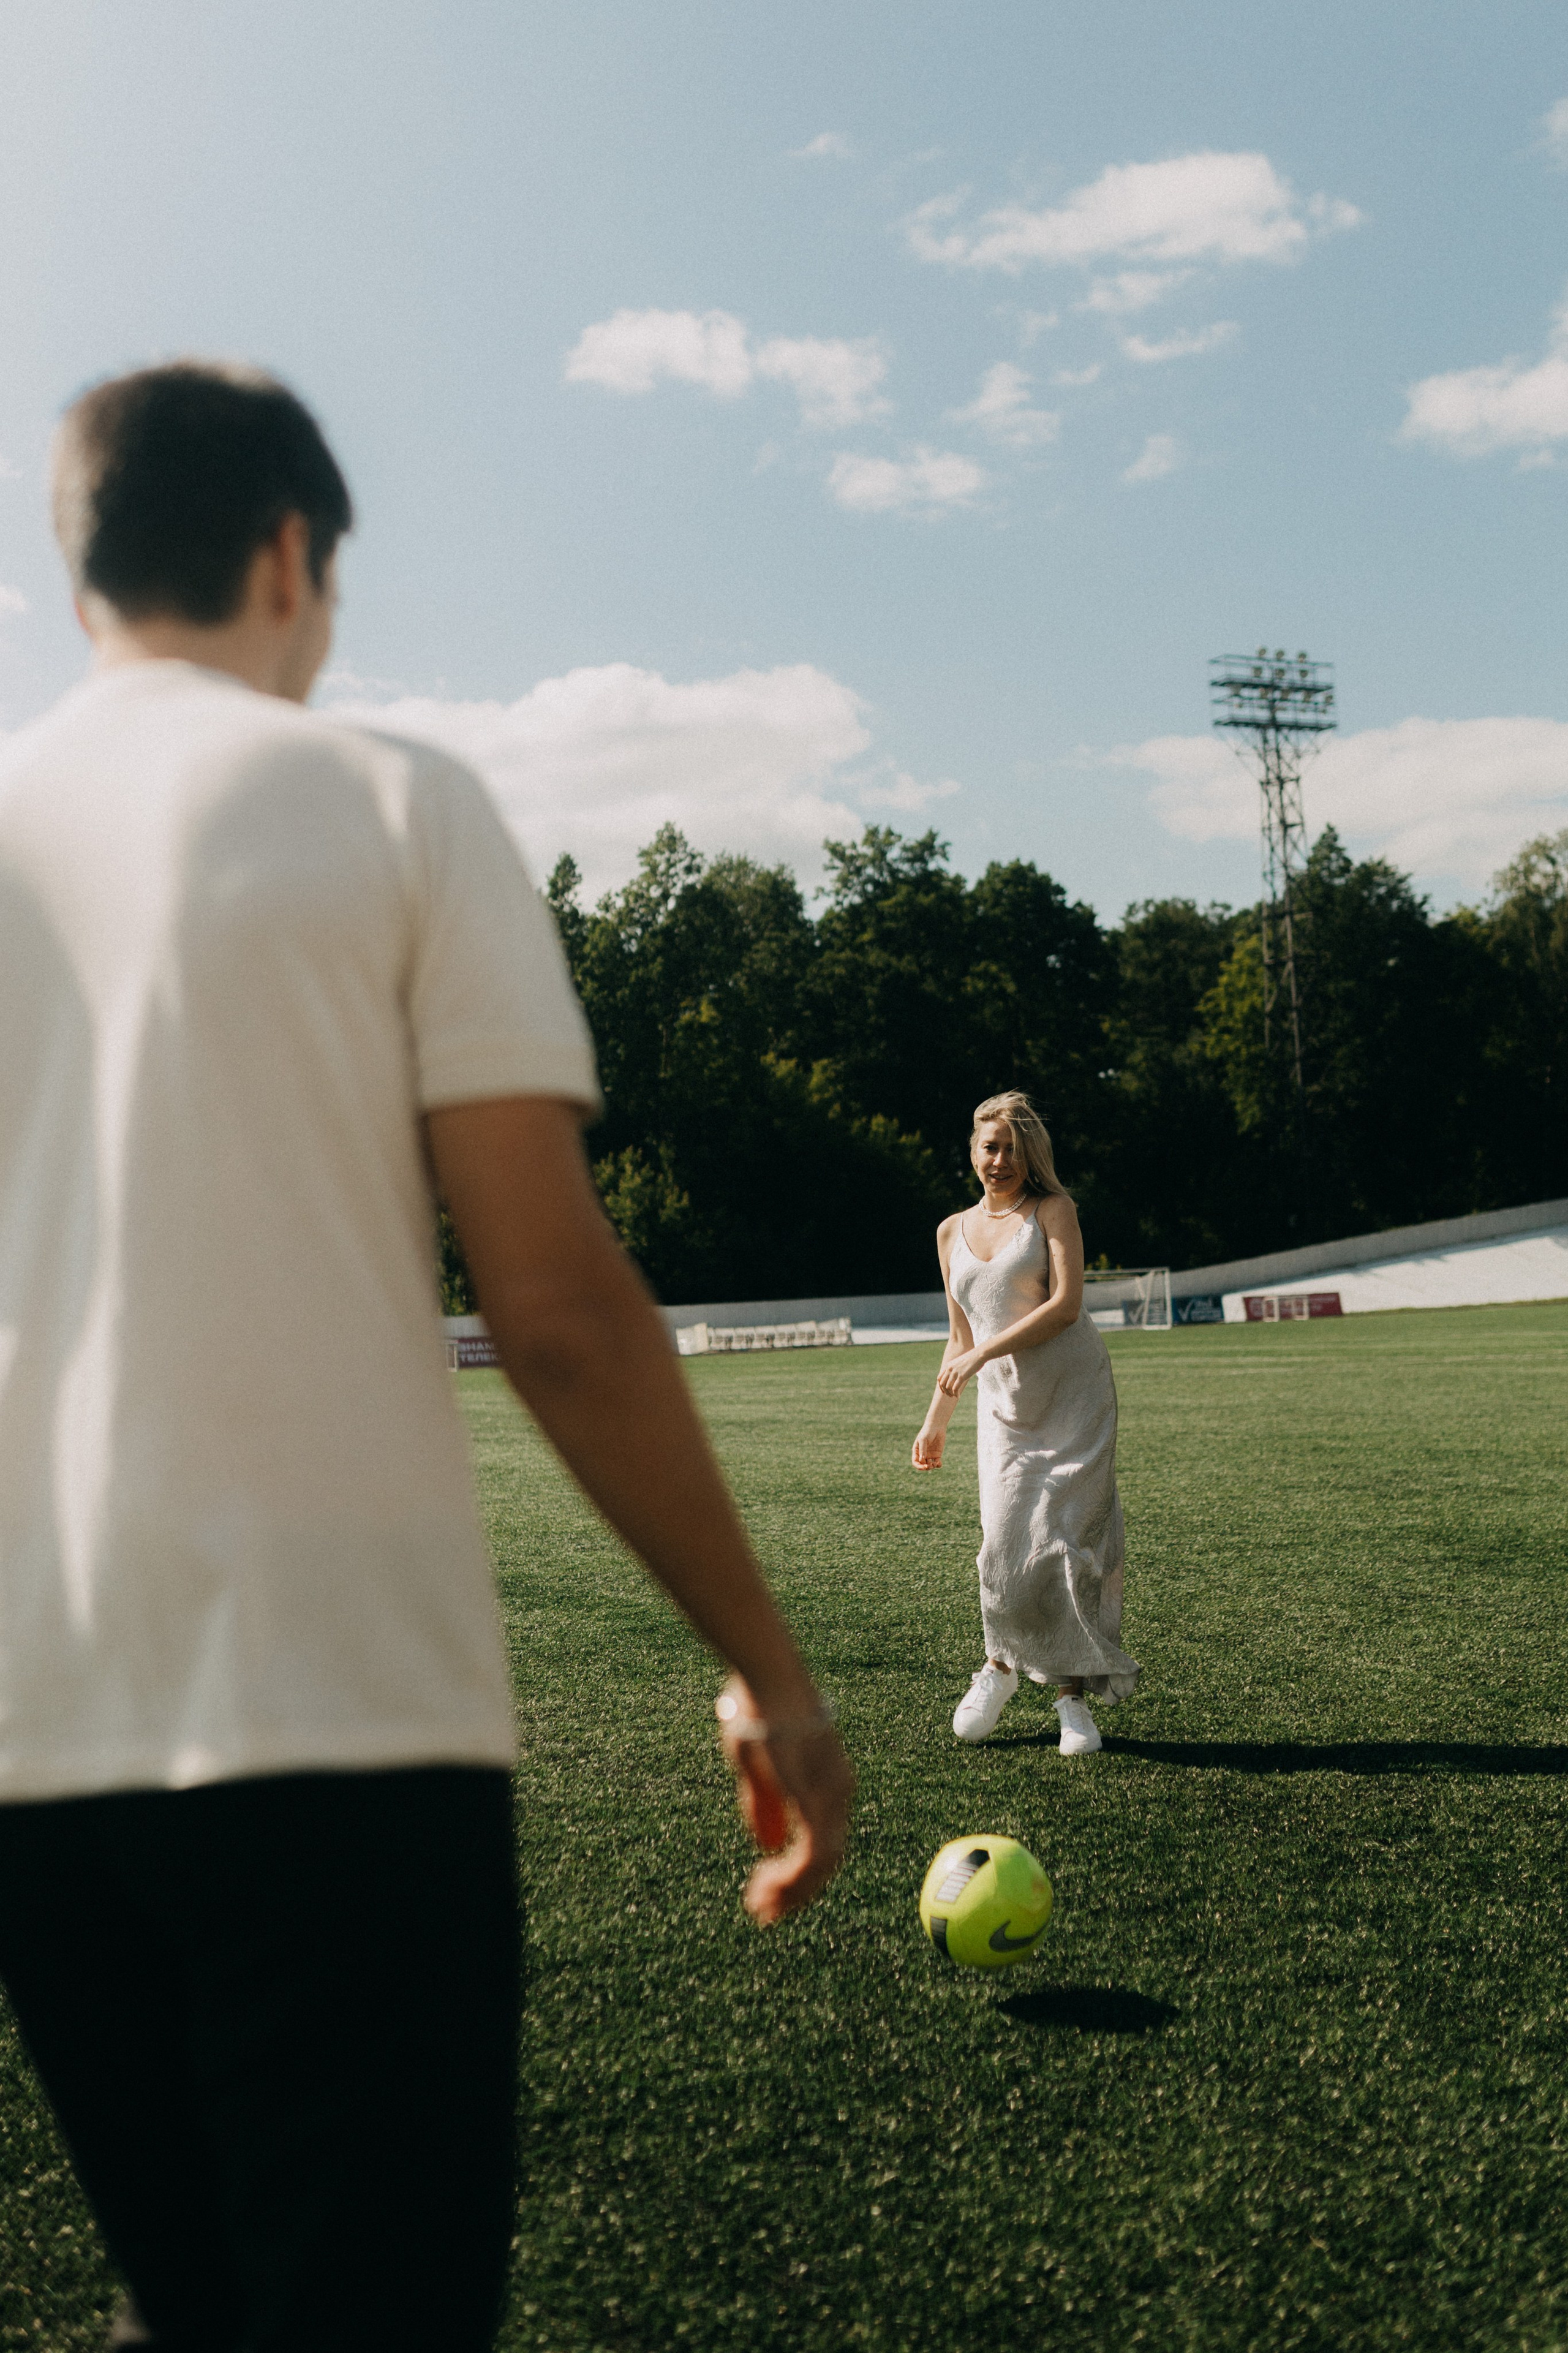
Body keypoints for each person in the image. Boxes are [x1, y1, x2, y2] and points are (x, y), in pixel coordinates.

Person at [0, 361, 852, 2353]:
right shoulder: (394, 802)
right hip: (344, 1725)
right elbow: (553, 1308)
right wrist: (768, 1665)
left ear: (78, 566)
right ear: (293, 557)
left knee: (194, 2305)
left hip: (37, 1738)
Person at [911, 1090, 1137, 1754]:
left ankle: (1072, 1699)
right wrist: (936, 1421)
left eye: (1013, 1148)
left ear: (1031, 1153)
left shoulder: (1053, 1211)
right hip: (1005, 1408)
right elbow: (960, 1338)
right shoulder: (950, 1232)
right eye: (990, 1146)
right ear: (972, 1152)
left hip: (1074, 1397)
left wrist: (983, 1352)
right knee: (1003, 1540)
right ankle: (999, 1666)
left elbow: (1066, 1305)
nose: (1000, 1159)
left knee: (1066, 1546)